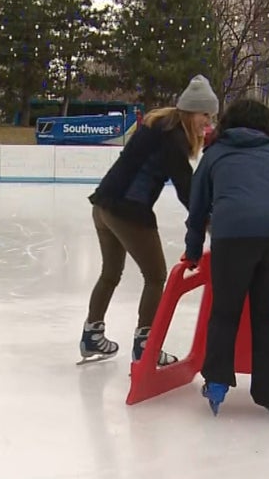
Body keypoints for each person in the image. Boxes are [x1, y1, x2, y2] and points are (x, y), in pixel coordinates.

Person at [183, 99, 269, 418]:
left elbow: (197, 207)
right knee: (267, 313)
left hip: (234, 232)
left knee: (225, 311)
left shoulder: (215, 152)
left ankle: (217, 384)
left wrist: (193, 251)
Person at [78, 75, 218, 366]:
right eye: (205, 115)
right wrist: (211, 225)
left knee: (111, 272)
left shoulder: (158, 124)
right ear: (190, 111)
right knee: (155, 276)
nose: (208, 122)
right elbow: (188, 191)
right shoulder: (173, 139)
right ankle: (146, 346)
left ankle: (92, 334)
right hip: (128, 211)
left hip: (104, 205)